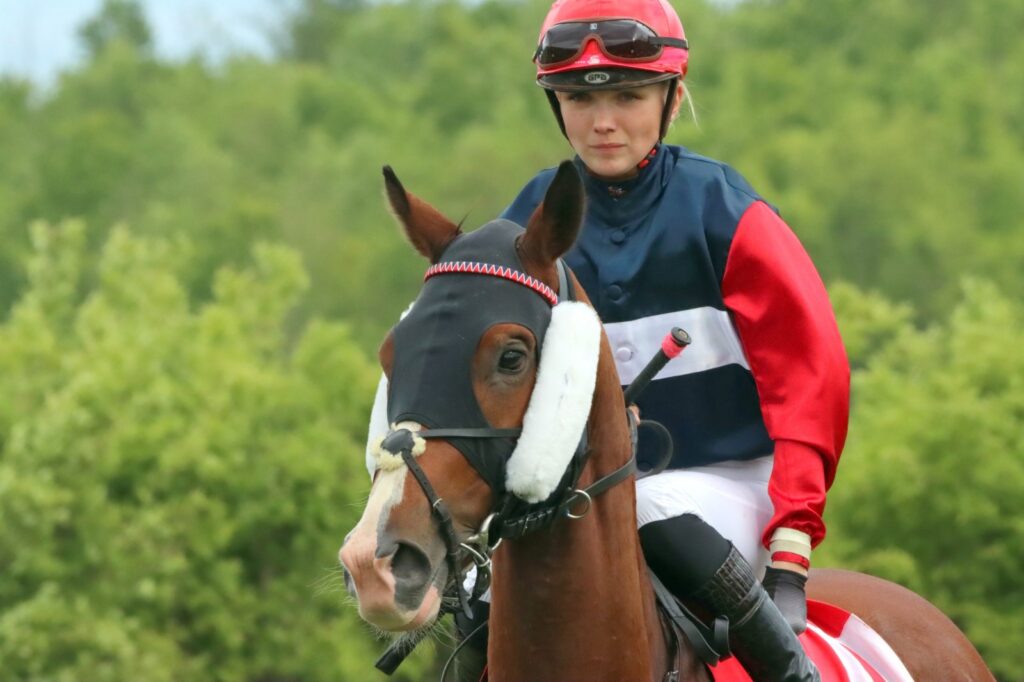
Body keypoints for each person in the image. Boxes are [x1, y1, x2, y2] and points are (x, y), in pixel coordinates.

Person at [453, 0, 851, 680]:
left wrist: (791, 542)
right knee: (476, 591)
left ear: (672, 97)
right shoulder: (526, 225)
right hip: (583, 495)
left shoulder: (728, 212)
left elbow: (812, 383)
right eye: (579, 99)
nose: (602, 122)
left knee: (650, 509)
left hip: (731, 480)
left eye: (629, 96)